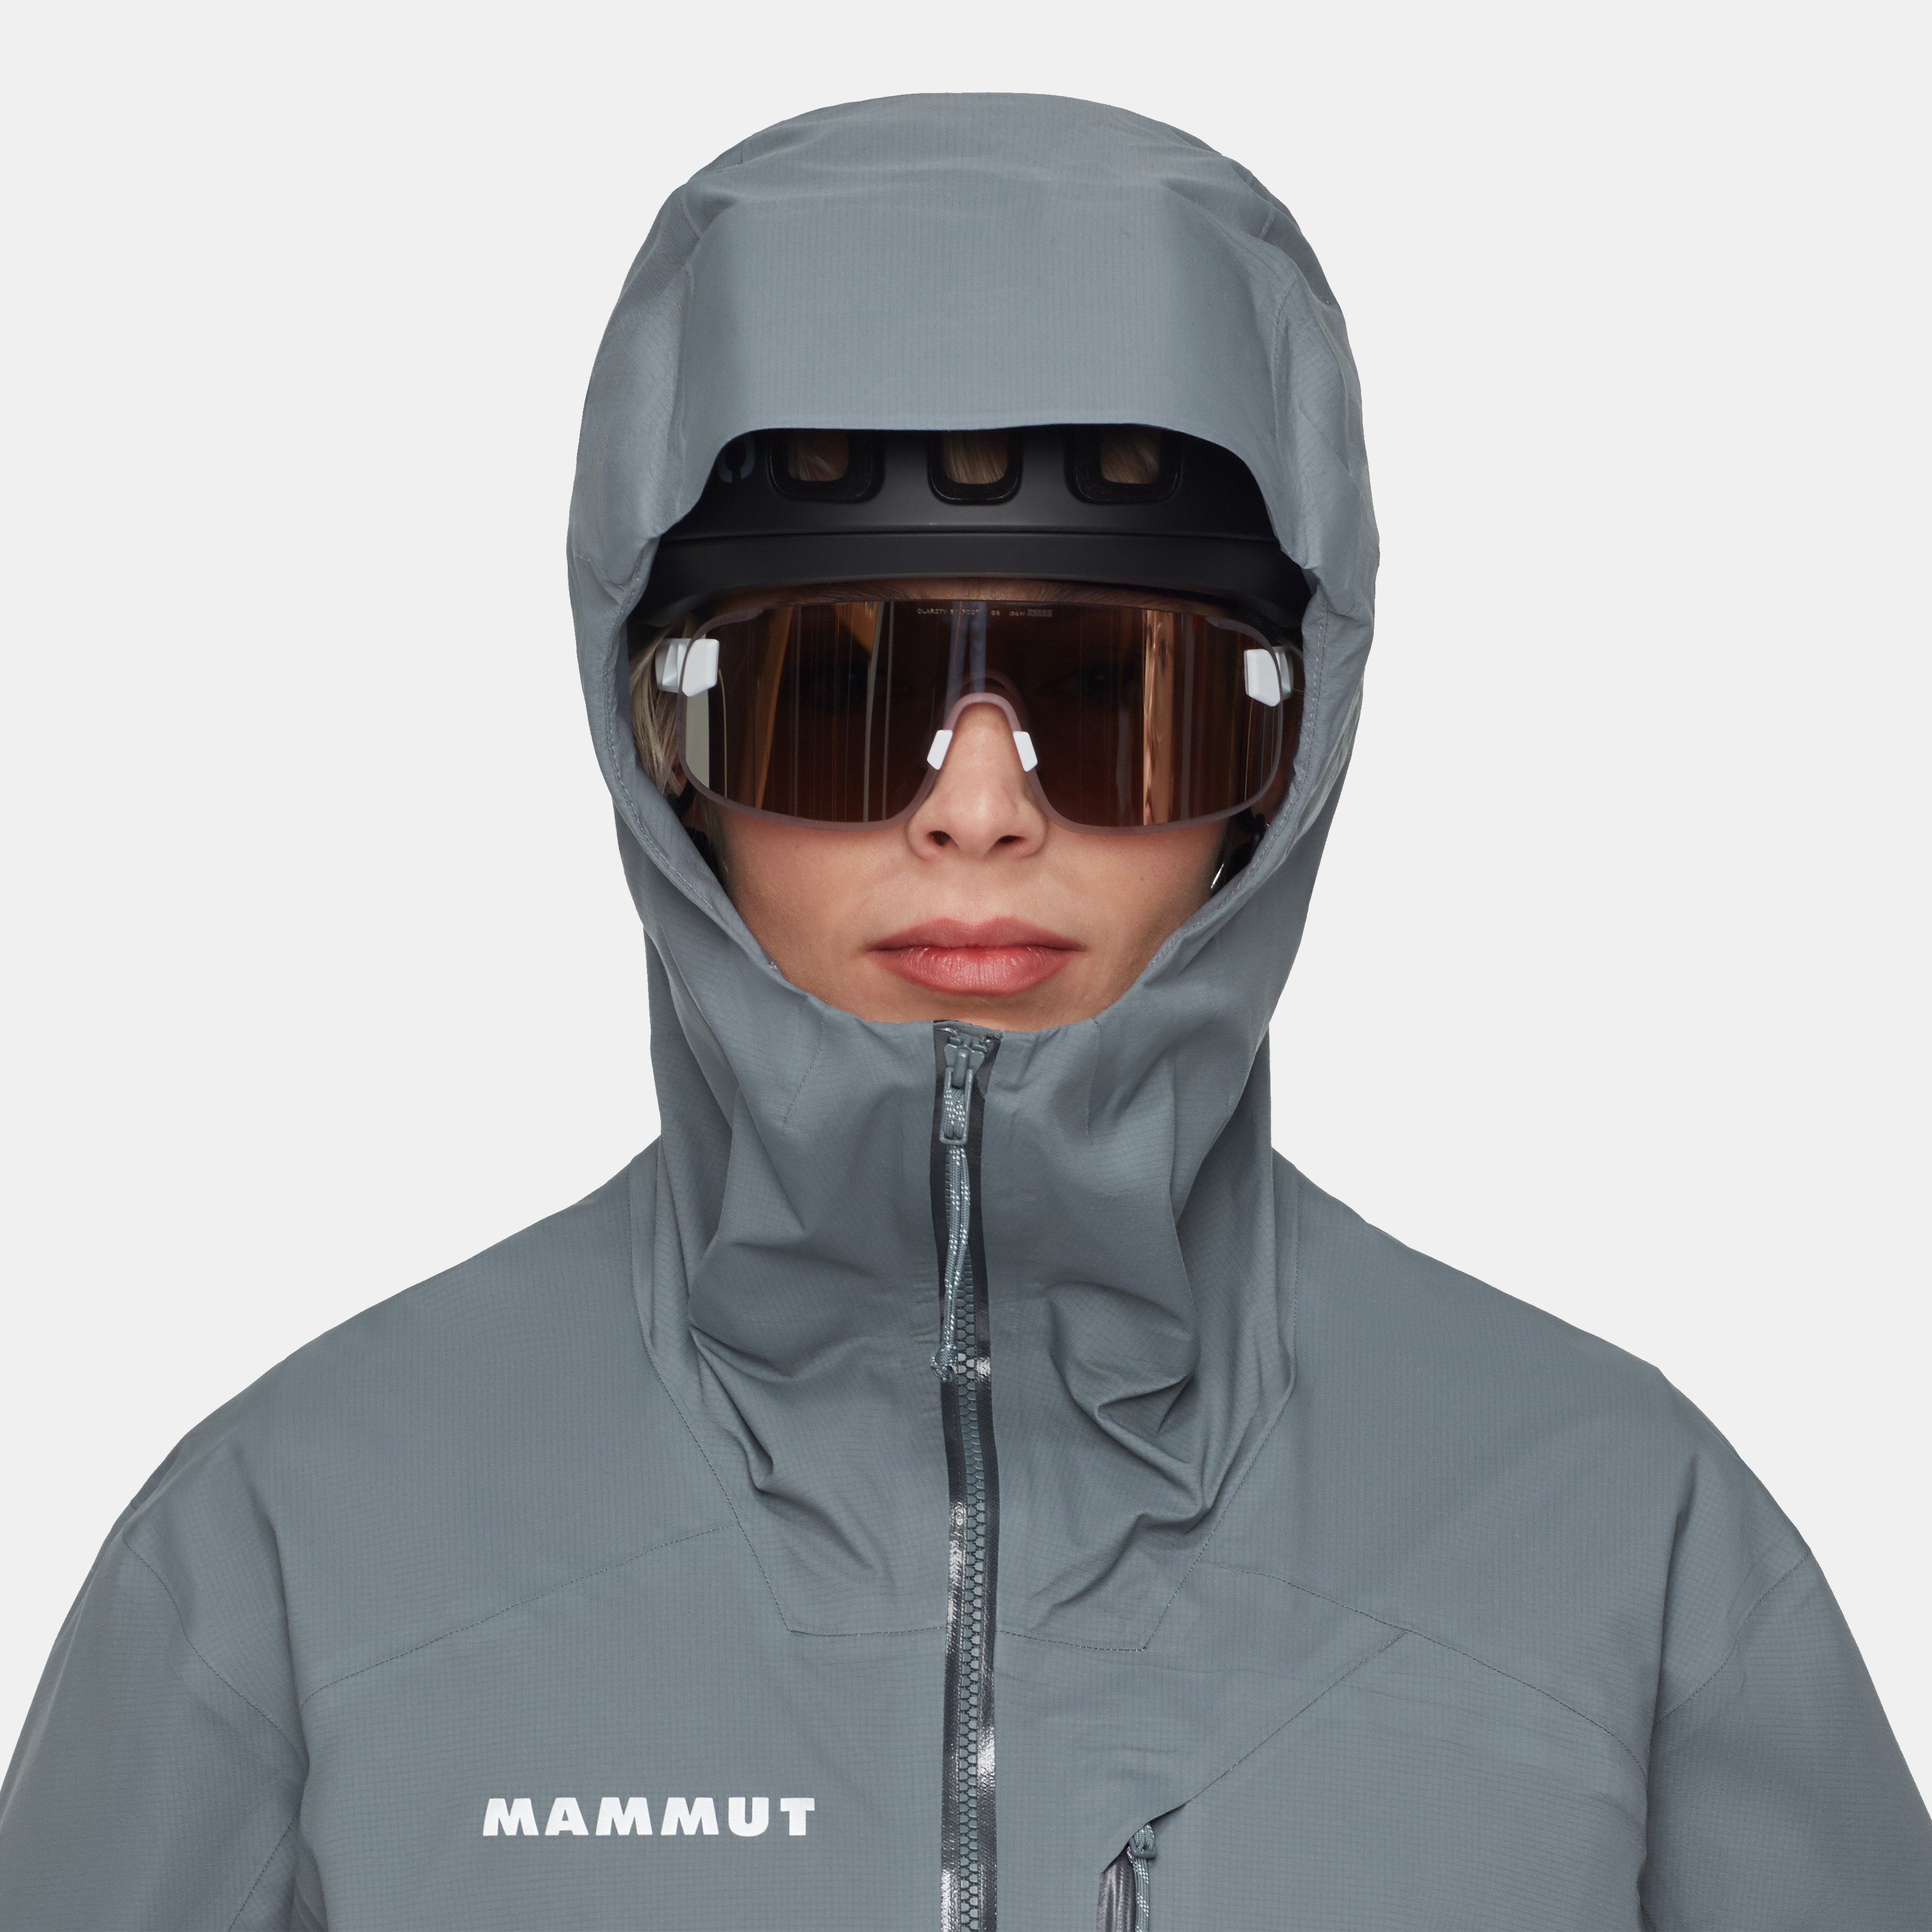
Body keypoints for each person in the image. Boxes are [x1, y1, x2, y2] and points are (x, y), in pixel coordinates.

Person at [1, 91, 1927, 1932]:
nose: (980, 808)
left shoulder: (1619, 1544)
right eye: (840, 694)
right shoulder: (298, 1553)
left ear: (1278, 773)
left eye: (1116, 697)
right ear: (665, 755)